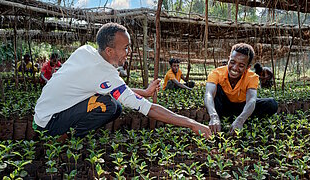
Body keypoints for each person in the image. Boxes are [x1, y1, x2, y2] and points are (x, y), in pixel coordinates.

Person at [34, 23, 211, 138]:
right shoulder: (103, 73)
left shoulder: (86, 51)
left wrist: (146, 92)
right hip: (50, 122)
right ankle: (63, 138)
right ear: (110, 51)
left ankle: (65, 132)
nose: (129, 52)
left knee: (110, 101)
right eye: (125, 48)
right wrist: (191, 123)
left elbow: (113, 87)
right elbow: (146, 108)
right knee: (110, 106)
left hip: (44, 113)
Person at [204, 43, 278, 135]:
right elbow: (209, 94)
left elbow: (251, 100)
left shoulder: (252, 77)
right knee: (216, 89)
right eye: (232, 62)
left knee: (272, 103)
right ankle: (220, 117)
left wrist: (240, 120)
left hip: (242, 106)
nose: (235, 68)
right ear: (228, 59)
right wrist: (213, 115)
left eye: (241, 65)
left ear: (248, 67)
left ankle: (239, 118)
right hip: (223, 105)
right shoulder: (216, 73)